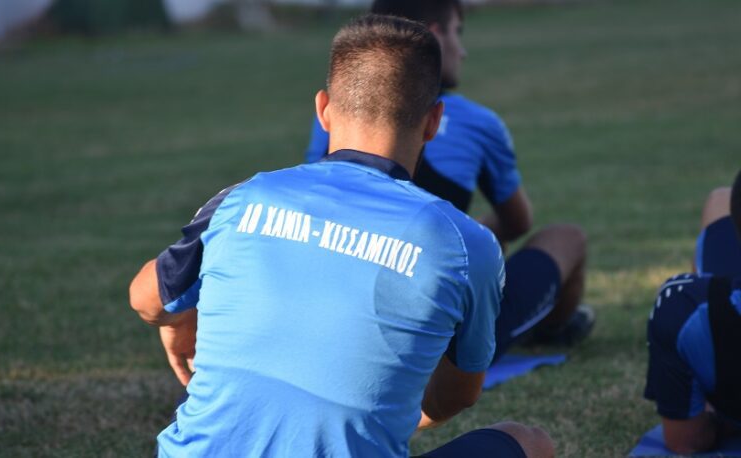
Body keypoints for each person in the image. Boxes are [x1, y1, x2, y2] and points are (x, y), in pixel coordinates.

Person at [130, 15, 553, 458]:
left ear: (323, 110)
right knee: (530, 442)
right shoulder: (469, 244)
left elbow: (146, 299)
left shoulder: (242, 198)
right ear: (433, 122)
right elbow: (456, 395)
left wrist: (179, 322)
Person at [304, 0, 592, 361]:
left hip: (334, 313)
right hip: (434, 334)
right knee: (564, 238)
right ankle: (548, 330)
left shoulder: (330, 122)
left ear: (324, 109)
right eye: (458, 32)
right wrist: (477, 232)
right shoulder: (476, 122)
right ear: (432, 122)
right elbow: (518, 222)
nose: (463, 50)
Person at [644, 169, 741, 454]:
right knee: (720, 199)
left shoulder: (683, 307)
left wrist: (720, 419)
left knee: (720, 199)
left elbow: (685, 440)